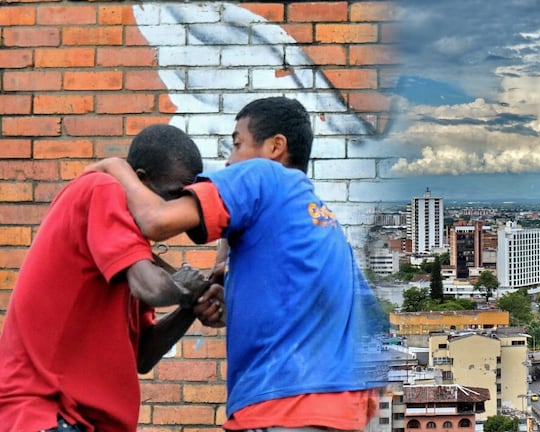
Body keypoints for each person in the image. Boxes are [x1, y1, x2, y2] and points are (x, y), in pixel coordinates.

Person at [87, 96, 387, 432]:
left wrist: (117, 168)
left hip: (283, 406)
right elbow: (373, 325)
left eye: (237, 143)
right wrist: (233, 291)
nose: (229, 161)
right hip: (343, 413)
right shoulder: (323, 225)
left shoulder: (264, 175)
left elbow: (156, 220)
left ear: (275, 147)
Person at [0, 124, 225, 432]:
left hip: (81, 421)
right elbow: (151, 288)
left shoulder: (129, 248)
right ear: (140, 180)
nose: (177, 212)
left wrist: (191, 307)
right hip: (43, 412)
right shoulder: (102, 189)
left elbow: (143, 355)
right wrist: (192, 289)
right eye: (173, 195)